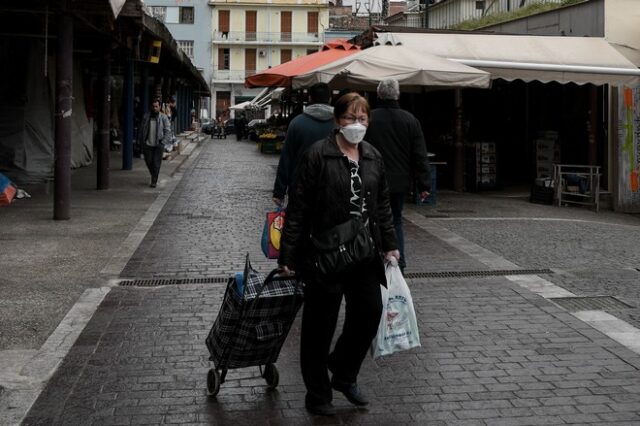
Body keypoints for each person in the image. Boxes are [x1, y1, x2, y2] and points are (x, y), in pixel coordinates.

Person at [278, 93, 400, 416]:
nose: (356, 125)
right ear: (336, 121)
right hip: (324, 253)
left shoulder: (373, 156)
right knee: (320, 326)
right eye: (350, 118)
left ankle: (343, 372)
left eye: (362, 119)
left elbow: (383, 204)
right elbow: (299, 207)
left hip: (362, 252)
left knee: (370, 312)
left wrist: (390, 243)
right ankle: (317, 395)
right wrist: (288, 254)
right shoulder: (318, 155)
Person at [365, 78, 431, 272]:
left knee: (371, 219)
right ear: (398, 95)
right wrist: (424, 184)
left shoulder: (370, 118)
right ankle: (398, 262)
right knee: (396, 220)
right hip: (399, 181)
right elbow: (419, 154)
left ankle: (374, 259)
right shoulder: (410, 120)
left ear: (378, 95)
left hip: (372, 179)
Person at [272, 82, 334, 206]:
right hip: (333, 185)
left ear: (310, 98)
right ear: (330, 99)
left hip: (300, 186)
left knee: (299, 223)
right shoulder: (340, 123)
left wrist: (279, 192)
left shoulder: (296, 123)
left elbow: (286, 158)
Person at [138, 99, 172, 187]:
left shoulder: (163, 118)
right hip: (148, 144)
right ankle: (154, 175)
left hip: (158, 144)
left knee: (156, 163)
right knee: (149, 161)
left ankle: (154, 181)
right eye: (153, 106)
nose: (154, 108)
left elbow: (168, 131)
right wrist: (142, 141)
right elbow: (142, 129)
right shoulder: (146, 117)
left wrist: (163, 142)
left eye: (156, 106)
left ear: (159, 107)